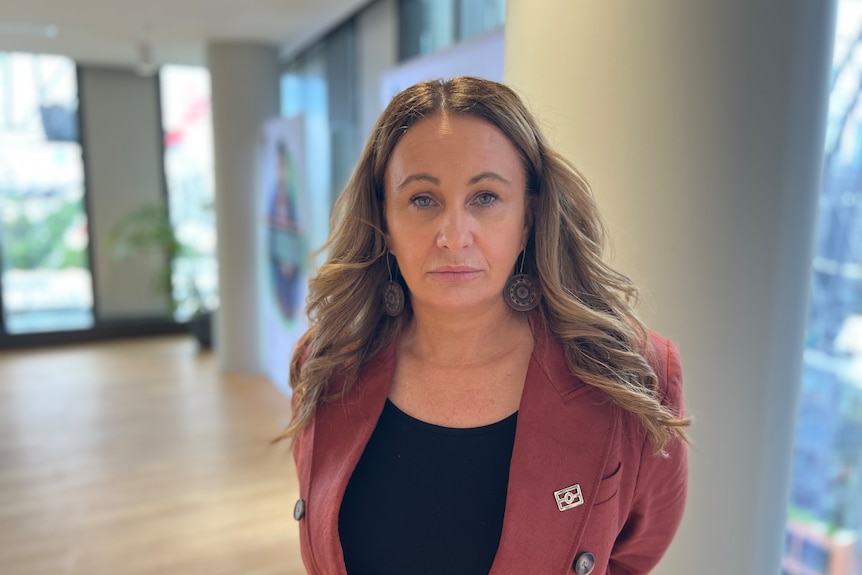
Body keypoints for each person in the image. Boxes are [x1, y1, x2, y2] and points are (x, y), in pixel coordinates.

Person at [281, 76, 690, 575]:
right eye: (423, 200)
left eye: (486, 197)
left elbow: (632, 557)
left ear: (528, 218)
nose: (453, 237)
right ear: (384, 223)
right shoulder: (325, 364)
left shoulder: (629, 374)